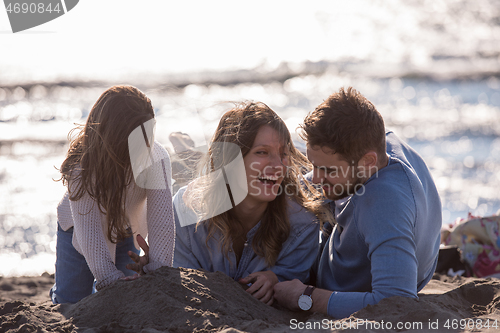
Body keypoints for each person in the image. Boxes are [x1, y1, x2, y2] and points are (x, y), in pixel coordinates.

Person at [273, 87, 442, 318]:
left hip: (330, 282)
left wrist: (304, 297)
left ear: (368, 161)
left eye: (328, 170)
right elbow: (312, 183)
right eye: (314, 165)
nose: (317, 178)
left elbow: (397, 302)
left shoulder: (384, 204)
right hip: (342, 236)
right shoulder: (380, 144)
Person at [172, 101, 331, 305]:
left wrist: (276, 278)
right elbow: (178, 281)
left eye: (283, 154)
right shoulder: (186, 210)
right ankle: (187, 154)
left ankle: (188, 153)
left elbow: (294, 281)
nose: (278, 166)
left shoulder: (302, 225)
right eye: (262, 152)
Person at [50, 85, 175, 304]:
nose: (145, 146)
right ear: (114, 139)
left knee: (123, 299)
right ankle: (58, 293)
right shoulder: (82, 169)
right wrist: (108, 278)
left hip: (125, 229)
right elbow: (90, 235)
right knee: (71, 300)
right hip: (77, 232)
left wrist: (159, 267)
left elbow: (162, 220)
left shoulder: (156, 158)